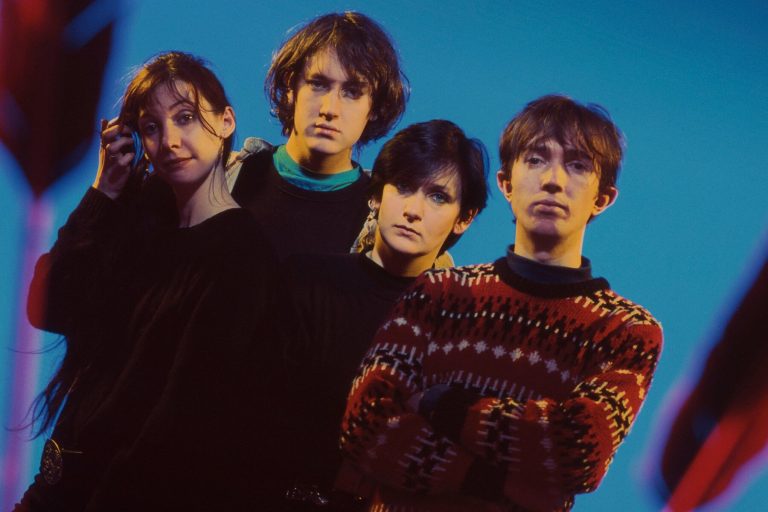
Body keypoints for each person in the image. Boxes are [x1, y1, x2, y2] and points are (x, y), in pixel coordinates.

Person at [339, 95, 664, 511]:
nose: (553, 180)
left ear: (603, 197)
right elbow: (365, 425)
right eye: (536, 159)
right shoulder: (437, 292)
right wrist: (490, 482)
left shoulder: (626, 329)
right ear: (506, 184)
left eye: (577, 165)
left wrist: (446, 405)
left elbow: (579, 449)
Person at [16, 51, 276, 511]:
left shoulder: (240, 253)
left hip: (120, 496)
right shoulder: (144, 222)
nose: (170, 140)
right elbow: (48, 306)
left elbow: (181, 418)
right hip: (57, 486)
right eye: (152, 127)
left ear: (226, 121)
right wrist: (104, 191)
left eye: (186, 118)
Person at [272, 120, 488, 509]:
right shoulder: (306, 280)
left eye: (438, 197)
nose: (414, 210)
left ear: (464, 217)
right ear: (376, 196)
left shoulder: (461, 330)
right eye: (403, 186)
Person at [227, 11, 408, 260]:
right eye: (318, 84)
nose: (330, 109)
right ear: (291, 87)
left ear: (375, 107)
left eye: (352, 92)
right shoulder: (226, 176)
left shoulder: (386, 216)